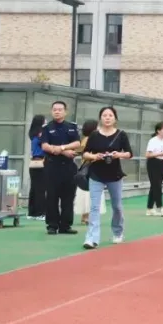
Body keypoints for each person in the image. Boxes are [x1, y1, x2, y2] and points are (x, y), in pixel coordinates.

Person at [80, 106, 132, 249]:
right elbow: (85, 153)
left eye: (110, 115)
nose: (107, 118)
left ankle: (118, 232)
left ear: (115, 118)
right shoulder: (94, 135)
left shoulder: (121, 134)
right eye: (104, 115)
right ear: (100, 118)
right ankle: (91, 238)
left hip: (114, 175)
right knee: (94, 207)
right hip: (96, 174)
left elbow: (129, 153)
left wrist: (118, 155)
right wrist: (95, 156)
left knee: (117, 206)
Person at [40, 101, 81, 236]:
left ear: (65, 112)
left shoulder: (71, 127)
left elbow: (77, 142)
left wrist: (62, 148)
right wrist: (62, 152)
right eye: (55, 109)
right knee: (51, 197)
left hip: (69, 167)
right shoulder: (47, 127)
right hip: (52, 166)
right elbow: (45, 146)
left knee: (68, 197)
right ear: (51, 111)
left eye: (60, 109)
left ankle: (65, 225)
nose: (57, 112)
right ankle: (52, 225)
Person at [145, 122, 163, 217]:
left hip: (162, 163)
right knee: (157, 186)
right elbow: (147, 154)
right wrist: (159, 154)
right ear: (158, 131)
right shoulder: (153, 141)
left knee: (155, 185)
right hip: (153, 163)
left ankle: (149, 208)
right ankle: (160, 207)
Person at [27, 115, 47, 221]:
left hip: (33, 164)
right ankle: (41, 212)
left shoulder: (33, 134)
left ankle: (32, 212)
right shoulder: (41, 134)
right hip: (41, 163)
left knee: (34, 188)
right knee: (41, 189)